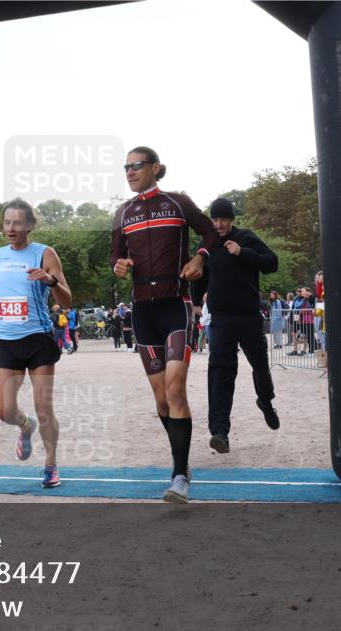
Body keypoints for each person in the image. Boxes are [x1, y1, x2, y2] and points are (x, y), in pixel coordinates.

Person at [110, 146, 217, 503]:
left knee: (175, 390)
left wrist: (200, 258)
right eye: (125, 167)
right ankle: (182, 464)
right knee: (160, 397)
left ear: (155, 167)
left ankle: (178, 478)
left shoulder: (178, 202)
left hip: (176, 304)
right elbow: (115, 254)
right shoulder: (122, 213)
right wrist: (118, 265)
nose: (129, 172)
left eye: (136, 166)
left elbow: (211, 234)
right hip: (142, 311)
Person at [0, 198, 72, 489]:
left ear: (29, 225)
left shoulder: (45, 253)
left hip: (37, 338)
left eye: (17, 223)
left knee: (43, 407)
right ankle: (26, 428)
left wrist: (50, 281)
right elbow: (4, 291)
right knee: (5, 411)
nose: (11, 228)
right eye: (6, 222)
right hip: (8, 341)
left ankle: (51, 466)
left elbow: (67, 299)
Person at [190, 197, 280, 455]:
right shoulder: (207, 244)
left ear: (231, 220)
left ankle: (265, 401)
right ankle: (220, 432)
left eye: (223, 220)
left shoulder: (247, 237)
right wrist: (196, 301)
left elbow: (271, 263)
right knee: (220, 373)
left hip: (249, 316)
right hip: (221, 319)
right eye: (215, 220)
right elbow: (199, 273)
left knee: (260, 366)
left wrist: (244, 253)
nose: (218, 224)